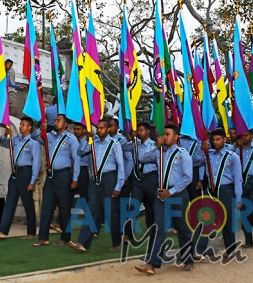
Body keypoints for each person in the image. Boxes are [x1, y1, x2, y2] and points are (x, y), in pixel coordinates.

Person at [134, 124, 195, 274]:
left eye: (168, 134)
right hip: (161, 195)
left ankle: (188, 259)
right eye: (164, 134)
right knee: (158, 227)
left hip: (178, 195)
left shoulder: (183, 154)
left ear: (176, 137)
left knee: (182, 228)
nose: (165, 137)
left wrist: (172, 191)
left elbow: (188, 178)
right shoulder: (159, 152)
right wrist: (156, 145)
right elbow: (141, 158)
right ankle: (152, 264)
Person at [69, 119, 124, 252]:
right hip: (94, 180)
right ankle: (82, 242)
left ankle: (117, 241)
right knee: (91, 210)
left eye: (102, 128)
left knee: (110, 212)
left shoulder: (114, 144)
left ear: (108, 129)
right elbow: (80, 152)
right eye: (97, 128)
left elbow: (121, 165)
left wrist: (118, 186)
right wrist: (88, 140)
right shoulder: (93, 143)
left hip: (109, 178)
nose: (99, 130)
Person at [0, 117, 41, 240]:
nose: (21, 126)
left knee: (27, 202)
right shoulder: (16, 139)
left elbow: (37, 163)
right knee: (10, 202)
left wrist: (33, 181)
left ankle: (31, 232)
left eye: (23, 125)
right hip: (15, 172)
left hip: (26, 172)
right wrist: (6, 134)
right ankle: (2, 230)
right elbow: (3, 142)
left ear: (29, 127)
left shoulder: (34, 143)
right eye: (20, 124)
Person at [32, 115, 80, 247]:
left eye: (59, 121)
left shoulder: (71, 139)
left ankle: (65, 237)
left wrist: (75, 179)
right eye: (55, 120)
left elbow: (77, 160)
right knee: (46, 206)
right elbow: (34, 137)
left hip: (64, 175)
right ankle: (43, 237)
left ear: (65, 125)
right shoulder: (50, 136)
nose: (55, 122)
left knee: (64, 208)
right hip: (51, 176)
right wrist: (40, 129)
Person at [200, 127, 243, 260]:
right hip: (211, 191)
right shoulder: (208, 155)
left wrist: (239, 197)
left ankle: (230, 250)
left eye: (218, 139)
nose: (216, 142)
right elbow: (196, 161)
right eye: (213, 140)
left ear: (225, 139)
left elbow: (238, 178)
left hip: (226, 190)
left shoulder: (232, 157)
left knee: (227, 221)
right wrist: (202, 149)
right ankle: (199, 251)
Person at [108, 117, 136, 247]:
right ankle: (119, 232)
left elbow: (129, 160)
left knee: (123, 207)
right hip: (113, 179)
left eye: (112, 126)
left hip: (123, 179)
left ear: (117, 127)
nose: (110, 128)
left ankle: (127, 233)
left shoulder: (121, 140)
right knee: (116, 208)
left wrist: (124, 177)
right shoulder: (106, 141)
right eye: (109, 126)